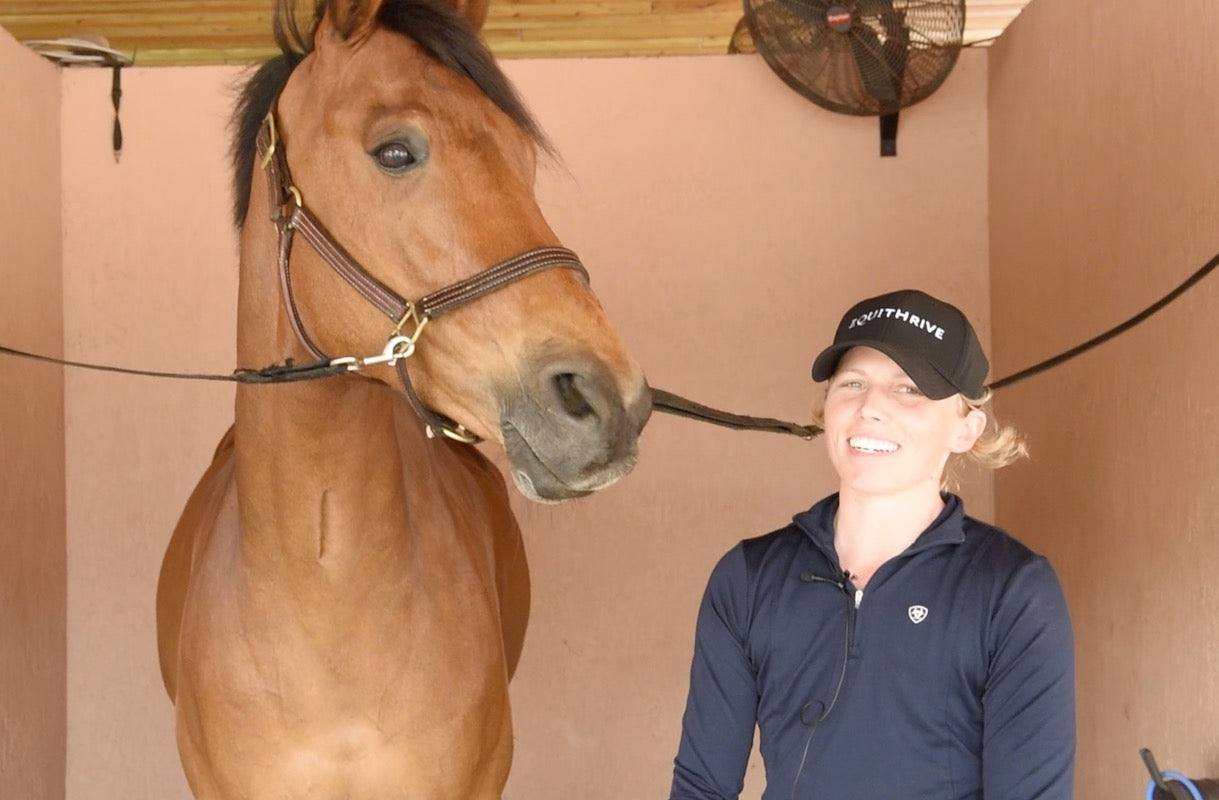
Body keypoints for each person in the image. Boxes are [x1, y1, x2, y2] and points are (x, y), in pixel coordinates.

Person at [668, 289, 1075, 800]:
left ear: (966, 429)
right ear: (826, 408)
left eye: (909, 389)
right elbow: (701, 786)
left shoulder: (1012, 591)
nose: (870, 408)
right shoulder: (749, 578)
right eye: (853, 383)